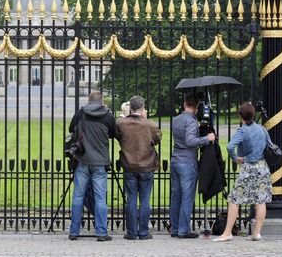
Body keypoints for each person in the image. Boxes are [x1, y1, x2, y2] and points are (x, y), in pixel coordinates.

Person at [213, 103, 272, 242]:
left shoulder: (243, 131)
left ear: (241, 116)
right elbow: (269, 144)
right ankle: (257, 232)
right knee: (261, 200)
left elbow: (229, 146)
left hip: (248, 167)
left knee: (234, 199)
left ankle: (227, 232)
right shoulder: (262, 129)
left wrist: (236, 159)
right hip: (262, 167)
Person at [67, 91, 117, 242]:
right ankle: (101, 232)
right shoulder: (108, 115)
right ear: (101, 101)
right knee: (100, 198)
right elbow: (113, 133)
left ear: (89, 101)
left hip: (83, 160)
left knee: (78, 196)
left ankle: (74, 231)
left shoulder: (81, 113)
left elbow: (71, 130)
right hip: (100, 161)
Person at [169, 93, 216, 239]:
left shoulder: (176, 119)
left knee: (176, 197)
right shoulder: (190, 121)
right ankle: (183, 230)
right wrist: (206, 139)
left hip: (175, 161)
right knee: (187, 197)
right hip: (187, 162)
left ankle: (175, 227)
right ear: (196, 108)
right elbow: (190, 141)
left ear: (184, 104)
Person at [116, 95, 161, 240]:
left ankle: (131, 232)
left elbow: (116, 132)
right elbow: (157, 139)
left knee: (131, 200)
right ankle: (143, 232)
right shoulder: (150, 124)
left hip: (129, 166)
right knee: (145, 200)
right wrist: (145, 119)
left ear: (130, 107)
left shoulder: (122, 124)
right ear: (142, 108)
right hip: (146, 166)